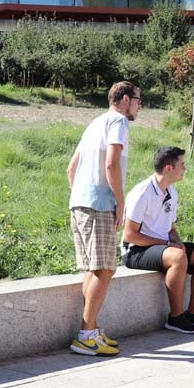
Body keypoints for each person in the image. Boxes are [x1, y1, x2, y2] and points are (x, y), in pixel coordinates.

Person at [66, 80, 141, 356]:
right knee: (106, 268)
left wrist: (82, 196)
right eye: (137, 100)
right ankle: (86, 335)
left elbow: (70, 169)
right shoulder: (118, 122)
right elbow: (111, 163)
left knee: (95, 268)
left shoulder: (94, 123)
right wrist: (120, 202)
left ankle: (92, 331)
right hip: (99, 204)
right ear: (123, 99)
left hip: (80, 202)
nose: (139, 106)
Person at [122, 146, 194, 335]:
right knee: (177, 257)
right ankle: (175, 318)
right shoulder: (141, 193)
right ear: (169, 168)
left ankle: (193, 313)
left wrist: (179, 243)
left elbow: (171, 228)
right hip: (136, 250)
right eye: (182, 164)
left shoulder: (171, 192)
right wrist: (169, 245)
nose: (185, 168)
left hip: (163, 247)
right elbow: (130, 235)